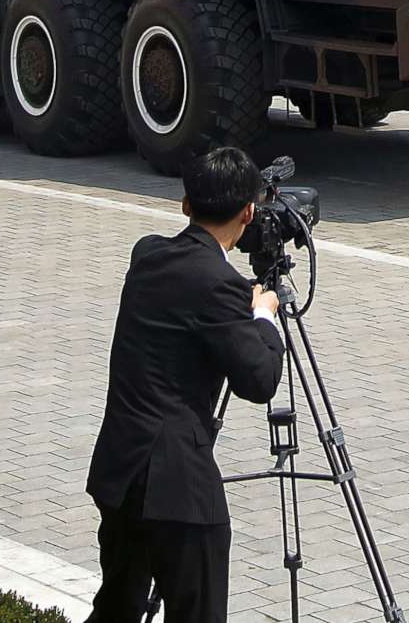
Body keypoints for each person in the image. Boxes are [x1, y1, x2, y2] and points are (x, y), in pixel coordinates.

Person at [85, 146, 287, 623]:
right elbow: (260, 380)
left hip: (120, 472)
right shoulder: (221, 285)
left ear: (184, 205)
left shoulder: (147, 255)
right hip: (176, 488)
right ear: (248, 212)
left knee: (116, 607)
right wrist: (264, 317)